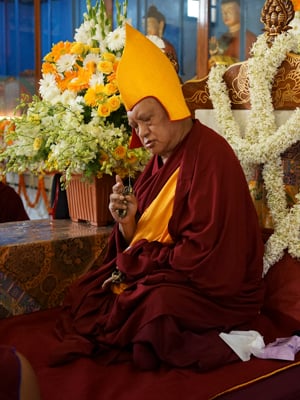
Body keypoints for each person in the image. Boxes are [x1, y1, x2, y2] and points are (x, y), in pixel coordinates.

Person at [50, 24, 266, 372]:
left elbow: (208, 257)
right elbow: (143, 238)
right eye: (135, 126)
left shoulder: (210, 156)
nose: (142, 134)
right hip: (168, 270)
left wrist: (143, 263)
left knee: (155, 306)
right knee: (87, 293)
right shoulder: (159, 161)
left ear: (172, 108)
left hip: (213, 288)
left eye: (147, 120)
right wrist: (128, 222)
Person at [209, 0, 256, 68]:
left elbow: (248, 66)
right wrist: (214, 55)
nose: (225, 14)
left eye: (229, 10)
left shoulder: (249, 38)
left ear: (241, 11)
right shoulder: (223, 38)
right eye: (222, 11)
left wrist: (220, 59)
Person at [145, 5, 179, 73]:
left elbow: (174, 68)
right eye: (146, 26)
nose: (148, 29)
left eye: (150, 25)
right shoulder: (142, 43)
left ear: (160, 25)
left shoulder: (167, 47)